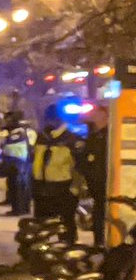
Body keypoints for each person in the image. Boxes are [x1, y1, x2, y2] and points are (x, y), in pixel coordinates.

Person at [33, 104, 84, 243]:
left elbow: (79, 168)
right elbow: (35, 161)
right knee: (41, 226)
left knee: (65, 226)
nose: (48, 122)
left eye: (50, 119)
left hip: (63, 189)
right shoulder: (41, 137)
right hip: (41, 187)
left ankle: (67, 253)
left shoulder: (72, 140)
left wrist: (74, 189)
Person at [82, 110, 109, 247]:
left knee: (103, 213)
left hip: (106, 183)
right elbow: (86, 160)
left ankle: (103, 241)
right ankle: (98, 242)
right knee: (98, 214)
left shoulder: (109, 136)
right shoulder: (94, 137)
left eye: (97, 115)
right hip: (96, 184)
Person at [0, 111, 34, 216]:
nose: (5, 122)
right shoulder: (25, 130)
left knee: (17, 186)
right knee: (21, 186)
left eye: (7, 120)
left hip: (17, 162)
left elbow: (11, 149)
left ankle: (18, 209)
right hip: (24, 162)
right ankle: (23, 208)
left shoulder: (17, 132)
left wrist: (4, 157)